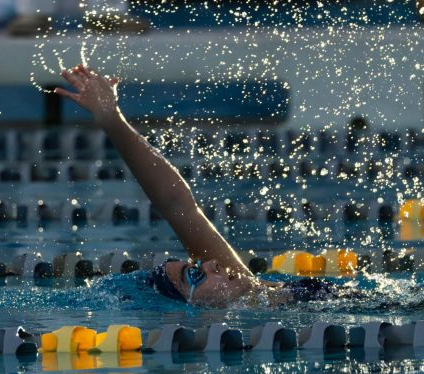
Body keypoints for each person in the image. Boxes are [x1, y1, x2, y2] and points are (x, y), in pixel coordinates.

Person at [55, 65, 343, 308]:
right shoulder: (254, 323)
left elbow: (176, 202)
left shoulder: (256, 291)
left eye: (196, 268)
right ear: (192, 307)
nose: (211, 264)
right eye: (194, 275)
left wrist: (112, 118)